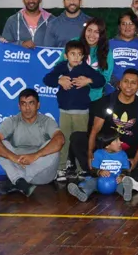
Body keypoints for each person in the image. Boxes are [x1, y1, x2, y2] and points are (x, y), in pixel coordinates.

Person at [44, 39, 106, 181]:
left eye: (79, 54)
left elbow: (101, 81)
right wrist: (59, 80)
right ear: (66, 56)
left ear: (83, 57)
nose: (76, 57)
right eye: (73, 54)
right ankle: (61, 168)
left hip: (82, 112)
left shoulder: (85, 68)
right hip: (64, 112)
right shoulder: (61, 67)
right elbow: (47, 79)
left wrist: (88, 80)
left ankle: (81, 168)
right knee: (63, 140)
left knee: (80, 141)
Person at [0, 89, 64, 196]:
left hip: (42, 174)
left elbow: (60, 140)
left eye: (31, 103)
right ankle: (21, 183)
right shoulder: (12, 121)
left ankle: (17, 181)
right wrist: (14, 157)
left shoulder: (46, 121)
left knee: (54, 145)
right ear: (19, 106)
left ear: (38, 105)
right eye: (23, 104)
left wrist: (35, 156)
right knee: (1, 144)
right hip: (19, 164)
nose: (27, 108)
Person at [79, 69, 138, 179]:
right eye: (126, 81)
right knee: (77, 138)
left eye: (133, 83)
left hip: (127, 153)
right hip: (105, 150)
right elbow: (95, 130)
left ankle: (117, 174)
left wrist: (136, 160)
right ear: (120, 83)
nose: (129, 86)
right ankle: (95, 170)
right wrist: (90, 154)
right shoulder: (106, 101)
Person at [67, 131, 138, 202]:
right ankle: (83, 193)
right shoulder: (98, 154)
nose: (120, 142)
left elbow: (126, 169)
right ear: (107, 146)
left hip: (116, 181)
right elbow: (93, 170)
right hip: (99, 182)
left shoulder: (122, 155)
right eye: (116, 141)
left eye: (119, 139)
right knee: (91, 182)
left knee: (122, 184)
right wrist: (99, 171)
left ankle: (126, 192)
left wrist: (122, 175)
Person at [75, 18, 113, 105]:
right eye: (89, 30)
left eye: (97, 32)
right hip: (72, 97)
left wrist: (88, 81)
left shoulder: (107, 52)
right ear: (85, 30)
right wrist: (61, 78)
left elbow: (105, 79)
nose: (92, 35)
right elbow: (59, 64)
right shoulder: (74, 43)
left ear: (102, 34)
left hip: (94, 99)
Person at [110, 10, 138, 84]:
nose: (127, 27)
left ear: (136, 26)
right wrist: (116, 83)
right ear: (119, 26)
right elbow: (104, 68)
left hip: (137, 89)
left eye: (131, 24)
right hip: (113, 89)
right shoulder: (109, 44)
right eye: (123, 24)